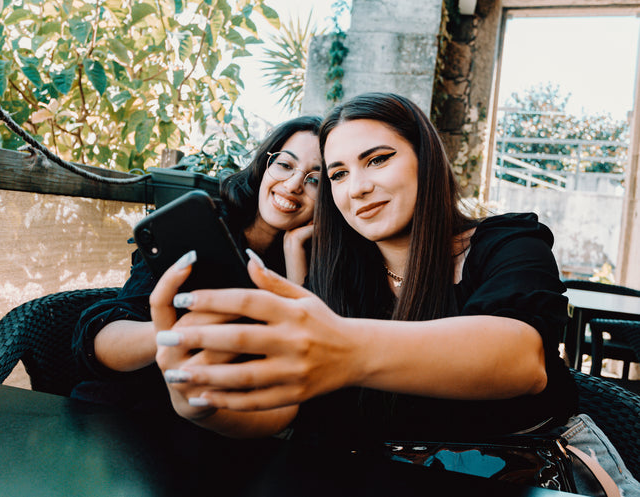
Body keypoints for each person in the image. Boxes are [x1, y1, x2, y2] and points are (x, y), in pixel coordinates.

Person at [151, 93, 640, 495]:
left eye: (377, 160)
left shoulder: (506, 242)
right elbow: (291, 411)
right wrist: (206, 402)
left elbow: (519, 358)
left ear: (425, 160)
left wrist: (344, 348)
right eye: (338, 174)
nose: (357, 188)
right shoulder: (342, 277)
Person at [70, 115, 323, 409]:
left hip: (222, 429)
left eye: (314, 180)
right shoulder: (198, 226)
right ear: (265, 165)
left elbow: (295, 364)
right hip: (125, 410)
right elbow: (101, 342)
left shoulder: (314, 260)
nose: (293, 185)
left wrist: (294, 252)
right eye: (285, 165)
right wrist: (184, 332)